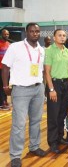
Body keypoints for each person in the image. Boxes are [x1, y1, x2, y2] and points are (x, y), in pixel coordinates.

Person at [2, 23, 46, 167]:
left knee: (35, 121)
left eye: (37, 31)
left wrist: (43, 87)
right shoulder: (15, 47)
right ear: (26, 32)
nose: (35, 34)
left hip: (38, 88)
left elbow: (42, 70)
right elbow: (5, 67)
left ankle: (34, 147)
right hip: (21, 90)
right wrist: (5, 85)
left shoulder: (41, 49)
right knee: (19, 124)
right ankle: (15, 155)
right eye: (32, 31)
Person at [44, 29, 68, 154]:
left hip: (65, 84)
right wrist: (51, 89)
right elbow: (47, 72)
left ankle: (60, 137)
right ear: (54, 37)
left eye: (64, 35)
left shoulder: (66, 50)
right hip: (54, 84)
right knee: (53, 114)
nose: (62, 37)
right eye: (60, 35)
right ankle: (52, 142)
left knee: (62, 112)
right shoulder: (49, 50)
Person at [0, 29, 10, 110]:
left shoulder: (9, 45)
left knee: (5, 85)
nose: (6, 35)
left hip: (6, 70)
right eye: (5, 34)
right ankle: (2, 102)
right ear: (1, 35)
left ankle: (5, 100)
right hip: (0, 68)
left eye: (7, 34)